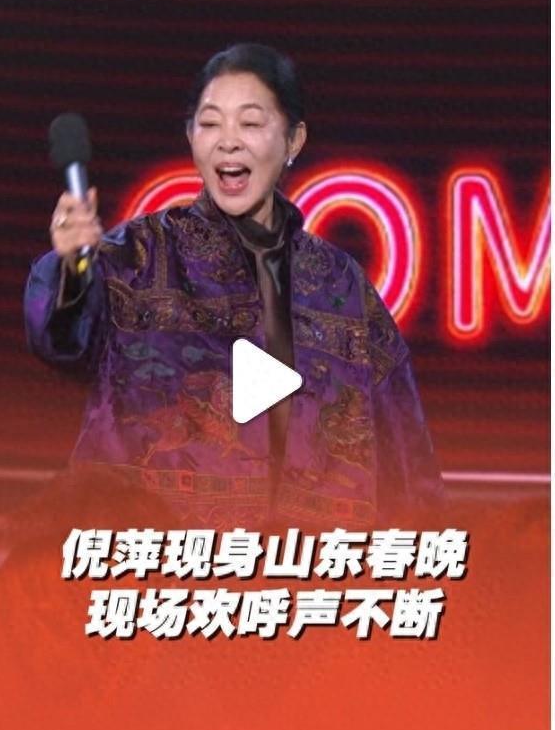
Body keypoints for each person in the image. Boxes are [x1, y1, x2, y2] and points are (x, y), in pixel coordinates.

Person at [24, 43, 443, 529]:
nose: (228, 142)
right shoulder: (136, 257)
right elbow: (60, 338)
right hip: (160, 558)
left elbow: (405, 452)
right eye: (210, 123)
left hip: (306, 562)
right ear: (190, 136)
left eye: (250, 123)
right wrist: (73, 268)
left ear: (293, 140)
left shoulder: (341, 283)